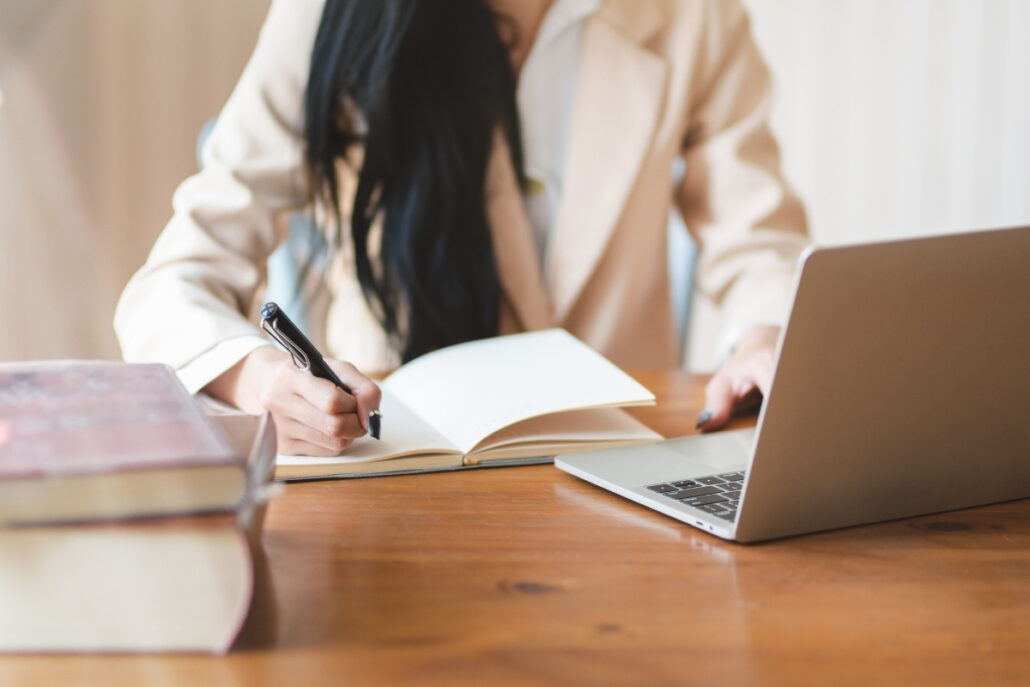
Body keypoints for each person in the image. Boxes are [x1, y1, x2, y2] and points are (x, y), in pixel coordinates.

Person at [115, 0, 809, 457]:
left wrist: (762, 337)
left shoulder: (694, 16)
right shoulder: (329, 15)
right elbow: (173, 282)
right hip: (397, 467)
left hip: (616, 467)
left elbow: (759, 244)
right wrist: (259, 378)